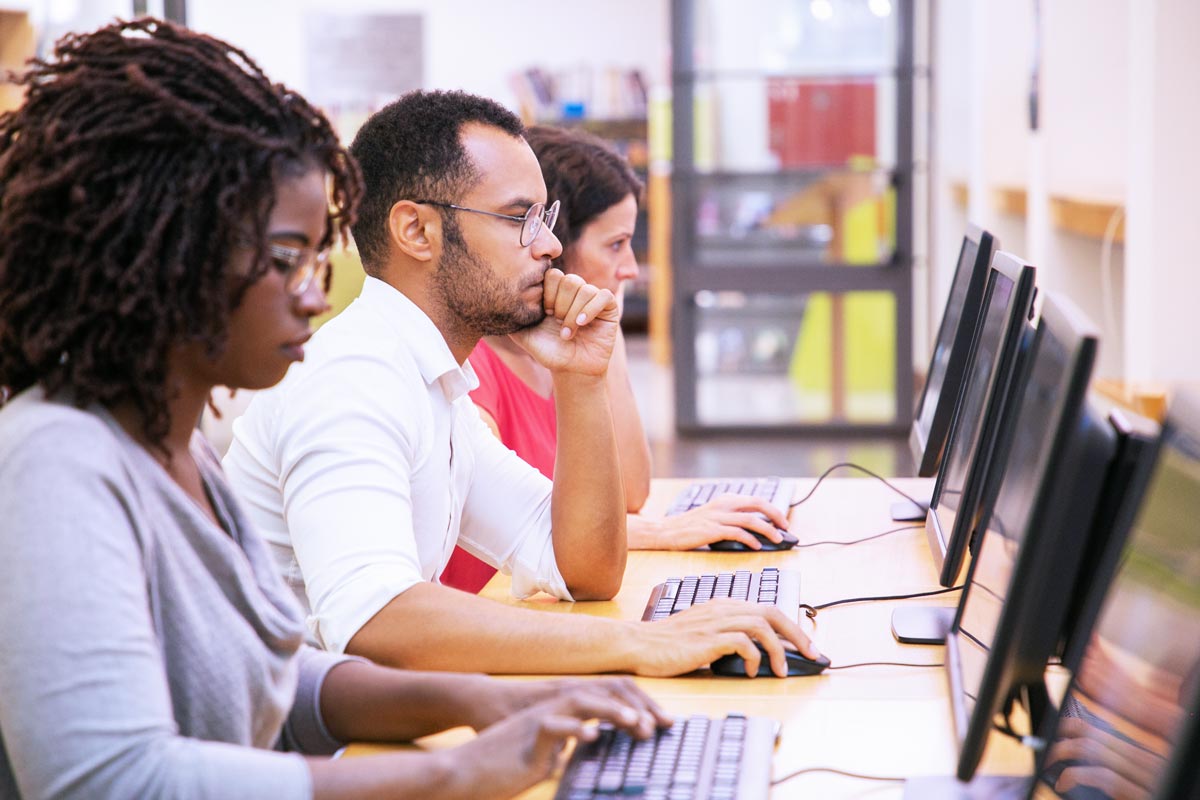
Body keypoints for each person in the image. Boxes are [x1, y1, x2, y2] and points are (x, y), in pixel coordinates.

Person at [0, 19, 669, 799]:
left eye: (315, 259)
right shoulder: (57, 461)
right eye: (286, 260)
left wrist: (488, 699)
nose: (314, 294)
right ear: (169, 254)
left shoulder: (180, 457)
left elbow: (278, 684)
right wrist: (455, 767)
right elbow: (113, 781)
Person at [222, 89, 821, 676]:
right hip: (303, 756)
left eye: (544, 219)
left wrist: (580, 380)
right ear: (417, 232)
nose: (552, 246)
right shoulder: (354, 379)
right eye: (519, 219)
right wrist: (637, 643)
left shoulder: (433, 384)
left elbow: (583, 566)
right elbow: (376, 621)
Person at [440, 125, 792, 594]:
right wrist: (668, 532)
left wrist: (608, 337)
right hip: (499, 618)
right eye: (614, 245)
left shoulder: (552, 361)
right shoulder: (473, 371)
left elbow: (630, 492)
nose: (629, 267)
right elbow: (531, 539)